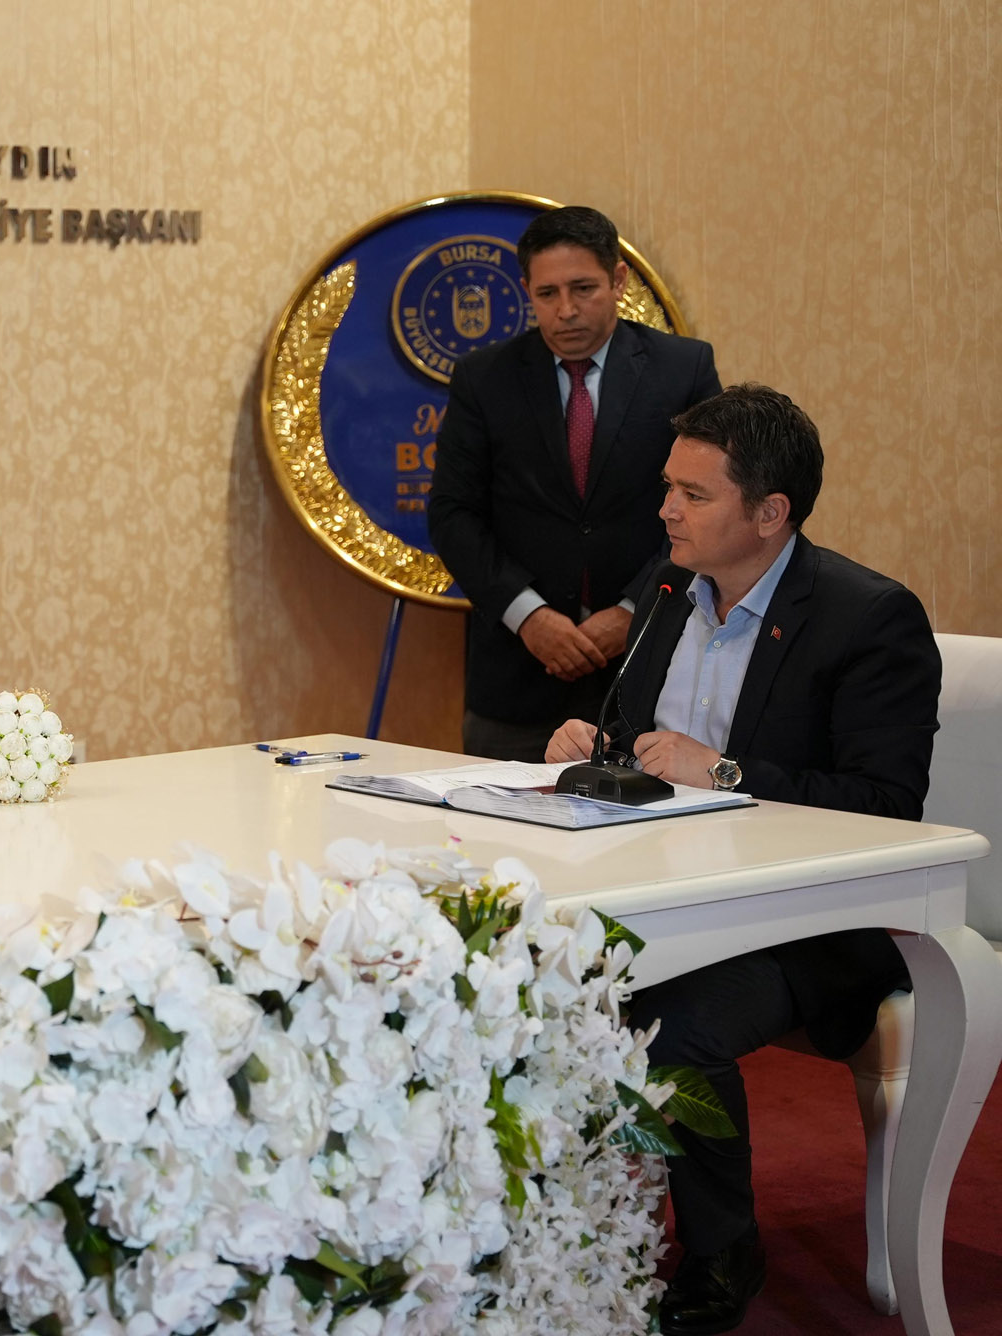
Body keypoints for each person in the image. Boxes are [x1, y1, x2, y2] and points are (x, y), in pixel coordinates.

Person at [546, 385, 941, 1335]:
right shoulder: (669, 591)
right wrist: (589, 746)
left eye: (693, 494)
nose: (666, 510)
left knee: (669, 1027)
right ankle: (564, 1232)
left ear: (771, 513)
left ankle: (723, 1251)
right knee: (537, 981)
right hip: (670, 892)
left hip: (808, 924)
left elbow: (887, 808)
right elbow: (640, 744)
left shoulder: (869, 617)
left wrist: (724, 772)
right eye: (667, 488)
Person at [430, 205, 722, 761]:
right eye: (547, 294)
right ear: (527, 291)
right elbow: (452, 513)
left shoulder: (681, 370)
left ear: (618, 279)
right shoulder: (483, 377)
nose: (565, 310)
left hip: (649, 671)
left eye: (583, 288)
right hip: (516, 677)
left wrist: (636, 609)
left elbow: (709, 504)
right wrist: (528, 615)